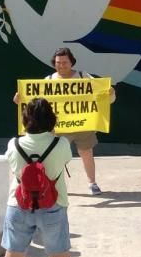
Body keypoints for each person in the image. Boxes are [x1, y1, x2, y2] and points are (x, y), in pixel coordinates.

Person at [0, 97, 79, 257]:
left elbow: (15, 160)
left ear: (25, 119)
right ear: (52, 118)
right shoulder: (61, 144)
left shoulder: (14, 144)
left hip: (18, 207)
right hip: (53, 208)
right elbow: (62, 161)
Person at [44, 48, 115, 195]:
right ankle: (54, 185)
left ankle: (92, 183)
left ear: (71, 62)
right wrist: (21, 100)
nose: (61, 65)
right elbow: (38, 104)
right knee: (56, 156)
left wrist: (110, 94)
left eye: (65, 62)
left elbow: (103, 97)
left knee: (86, 152)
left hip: (83, 125)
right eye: (58, 63)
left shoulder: (84, 77)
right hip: (59, 127)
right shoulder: (48, 81)